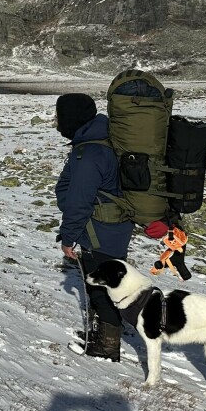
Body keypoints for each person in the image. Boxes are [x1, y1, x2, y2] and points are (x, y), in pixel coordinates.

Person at [53, 92, 143, 361]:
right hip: (113, 227)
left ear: (71, 118)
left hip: (100, 230)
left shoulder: (89, 153)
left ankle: (106, 346)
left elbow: (80, 201)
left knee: (100, 287)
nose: (56, 122)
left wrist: (68, 237)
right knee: (108, 282)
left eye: (59, 116)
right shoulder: (102, 141)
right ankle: (105, 333)